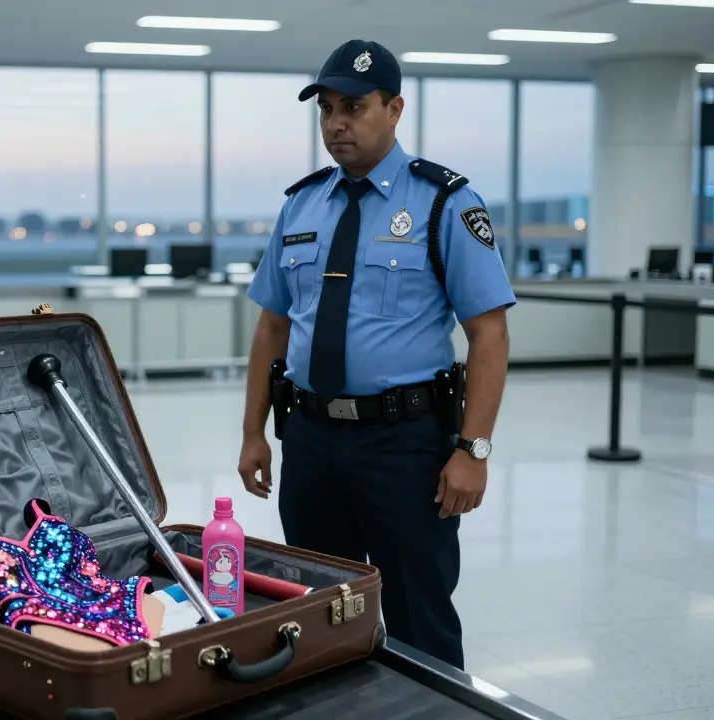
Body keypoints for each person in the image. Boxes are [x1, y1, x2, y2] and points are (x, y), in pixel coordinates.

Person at [235, 40, 515, 671]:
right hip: (310, 439)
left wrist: (473, 451)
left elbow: (489, 334)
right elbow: (271, 326)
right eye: (326, 109)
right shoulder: (301, 204)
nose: (336, 124)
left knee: (419, 614)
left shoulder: (444, 202)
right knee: (317, 611)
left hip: (404, 444)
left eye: (354, 108)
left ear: (394, 109)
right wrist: (254, 432)